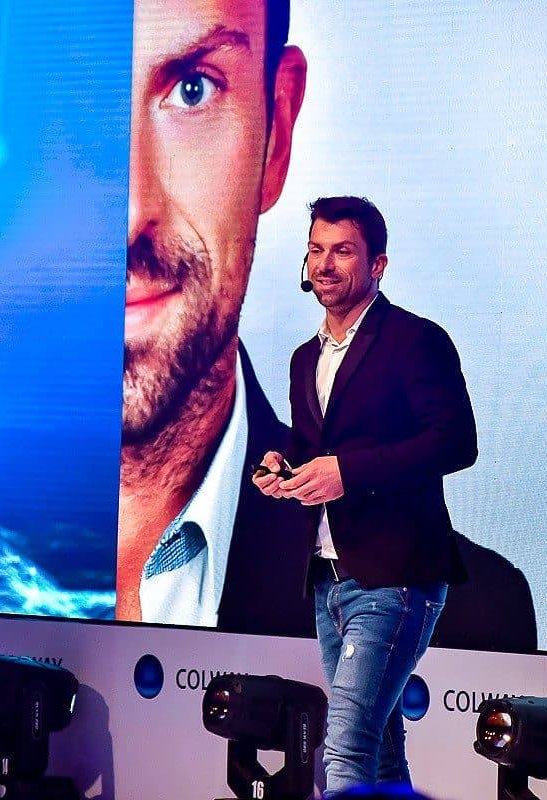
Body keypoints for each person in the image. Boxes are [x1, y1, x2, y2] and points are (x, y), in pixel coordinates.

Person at [254, 196, 478, 795]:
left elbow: (456, 442)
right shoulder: (305, 358)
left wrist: (347, 473)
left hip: (394, 576)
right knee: (379, 758)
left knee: (345, 749)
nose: (325, 264)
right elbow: (315, 449)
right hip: (328, 580)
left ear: (377, 264)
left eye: (343, 251)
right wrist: (281, 467)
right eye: (316, 250)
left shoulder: (414, 340)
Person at [116, 0, 313, 634]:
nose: (129, 214)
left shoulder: (454, 617)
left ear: (275, 135)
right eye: (71, 96)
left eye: (192, 90)